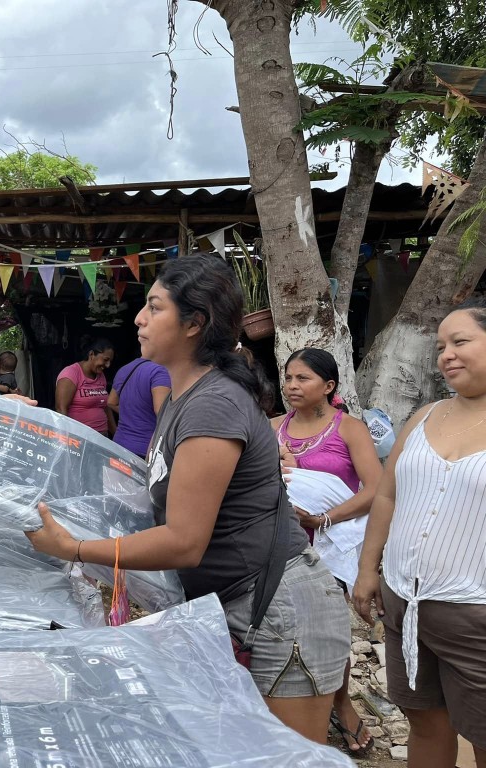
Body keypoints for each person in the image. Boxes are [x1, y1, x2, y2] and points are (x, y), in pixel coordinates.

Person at [26, 255, 349, 743]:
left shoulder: (212, 405)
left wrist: (73, 548)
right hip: (235, 602)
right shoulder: (183, 399)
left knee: (285, 757)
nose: (138, 318)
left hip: (278, 607)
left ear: (194, 323)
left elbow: (183, 542)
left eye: (154, 307)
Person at [353, 298, 486, 768]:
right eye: (441, 346)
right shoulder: (425, 415)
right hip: (403, 604)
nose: (446, 355)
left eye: (461, 342)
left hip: (475, 615)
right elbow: (387, 495)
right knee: (425, 723)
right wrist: (369, 569)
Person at [272, 347, 382, 755]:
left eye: (303, 379)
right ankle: (295, 703)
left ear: (329, 386)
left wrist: (324, 519)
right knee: (285, 629)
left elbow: (375, 490)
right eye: (288, 378)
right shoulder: (271, 428)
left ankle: (340, 702)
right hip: (279, 545)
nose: (292, 386)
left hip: (330, 545)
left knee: (328, 632)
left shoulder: (349, 429)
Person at [107, 357, 171, 458]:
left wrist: (131, 413)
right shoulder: (159, 371)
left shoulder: (124, 369)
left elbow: (111, 402)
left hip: (119, 445)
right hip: (144, 449)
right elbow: (162, 412)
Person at [55, 337, 115, 435]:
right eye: (105, 360)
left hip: (103, 437)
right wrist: (65, 438)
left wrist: (115, 434)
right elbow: (61, 409)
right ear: (91, 354)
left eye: (110, 361)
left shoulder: (100, 375)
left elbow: (105, 407)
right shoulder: (71, 373)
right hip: (80, 438)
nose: (107, 365)